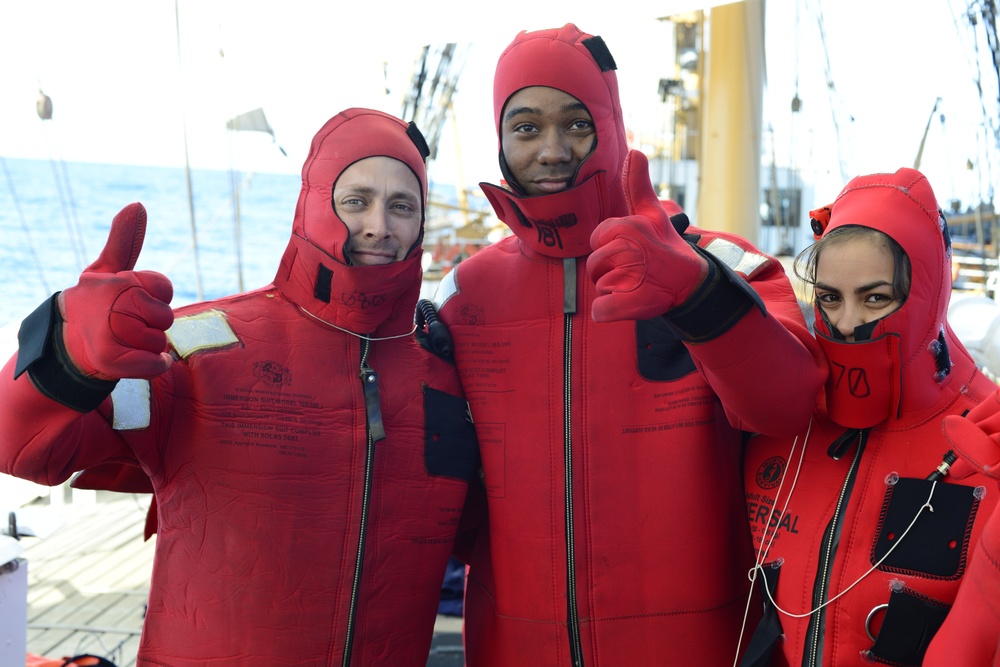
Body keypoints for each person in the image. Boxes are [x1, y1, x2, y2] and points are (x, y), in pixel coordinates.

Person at [0, 108, 480, 666]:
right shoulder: (195, 351)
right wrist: (67, 352)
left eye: (403, 205)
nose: (379, 225)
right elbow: (23, 450)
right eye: (355, 200)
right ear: (313, 205)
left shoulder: (446, 376)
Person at [432, 23, 826, 666]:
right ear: (500, 141)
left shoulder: (721, 263)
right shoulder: (462, 297)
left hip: (698, 647)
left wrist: (701, 296)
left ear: (612, 129)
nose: (552, 150)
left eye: (576, 124)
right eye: (526, 127)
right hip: (514, 645)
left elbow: (788, 406)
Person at [741, 167, 1000, 667]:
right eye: (830, 298)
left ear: (926, 295)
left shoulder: (987, 438)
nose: (847, 323)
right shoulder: (778, 421)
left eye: (876, 298)